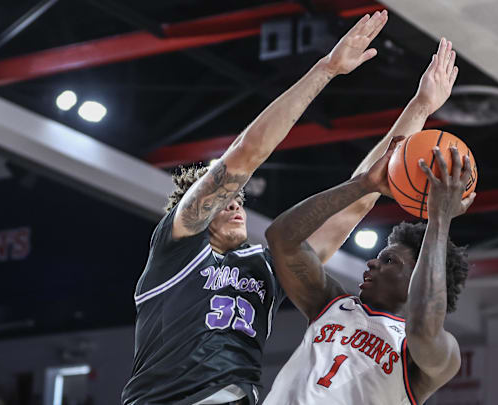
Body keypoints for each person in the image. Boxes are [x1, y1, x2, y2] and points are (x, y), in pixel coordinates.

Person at [121, 11, 391, 405]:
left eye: (239, 202)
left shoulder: (266, 266)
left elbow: (351, 209)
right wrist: (327, 69)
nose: (235, 206)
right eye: (224, 202)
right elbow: (246, 154)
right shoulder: (176, 248)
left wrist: (419, 107)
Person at [263, 39, 474, 404]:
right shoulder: (330, 303)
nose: (372, 261)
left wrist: (440, 216)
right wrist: (361, 184)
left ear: (416, 275)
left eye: (390, 260)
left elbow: (425, 326)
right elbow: (282, 238)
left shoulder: (433, 353)